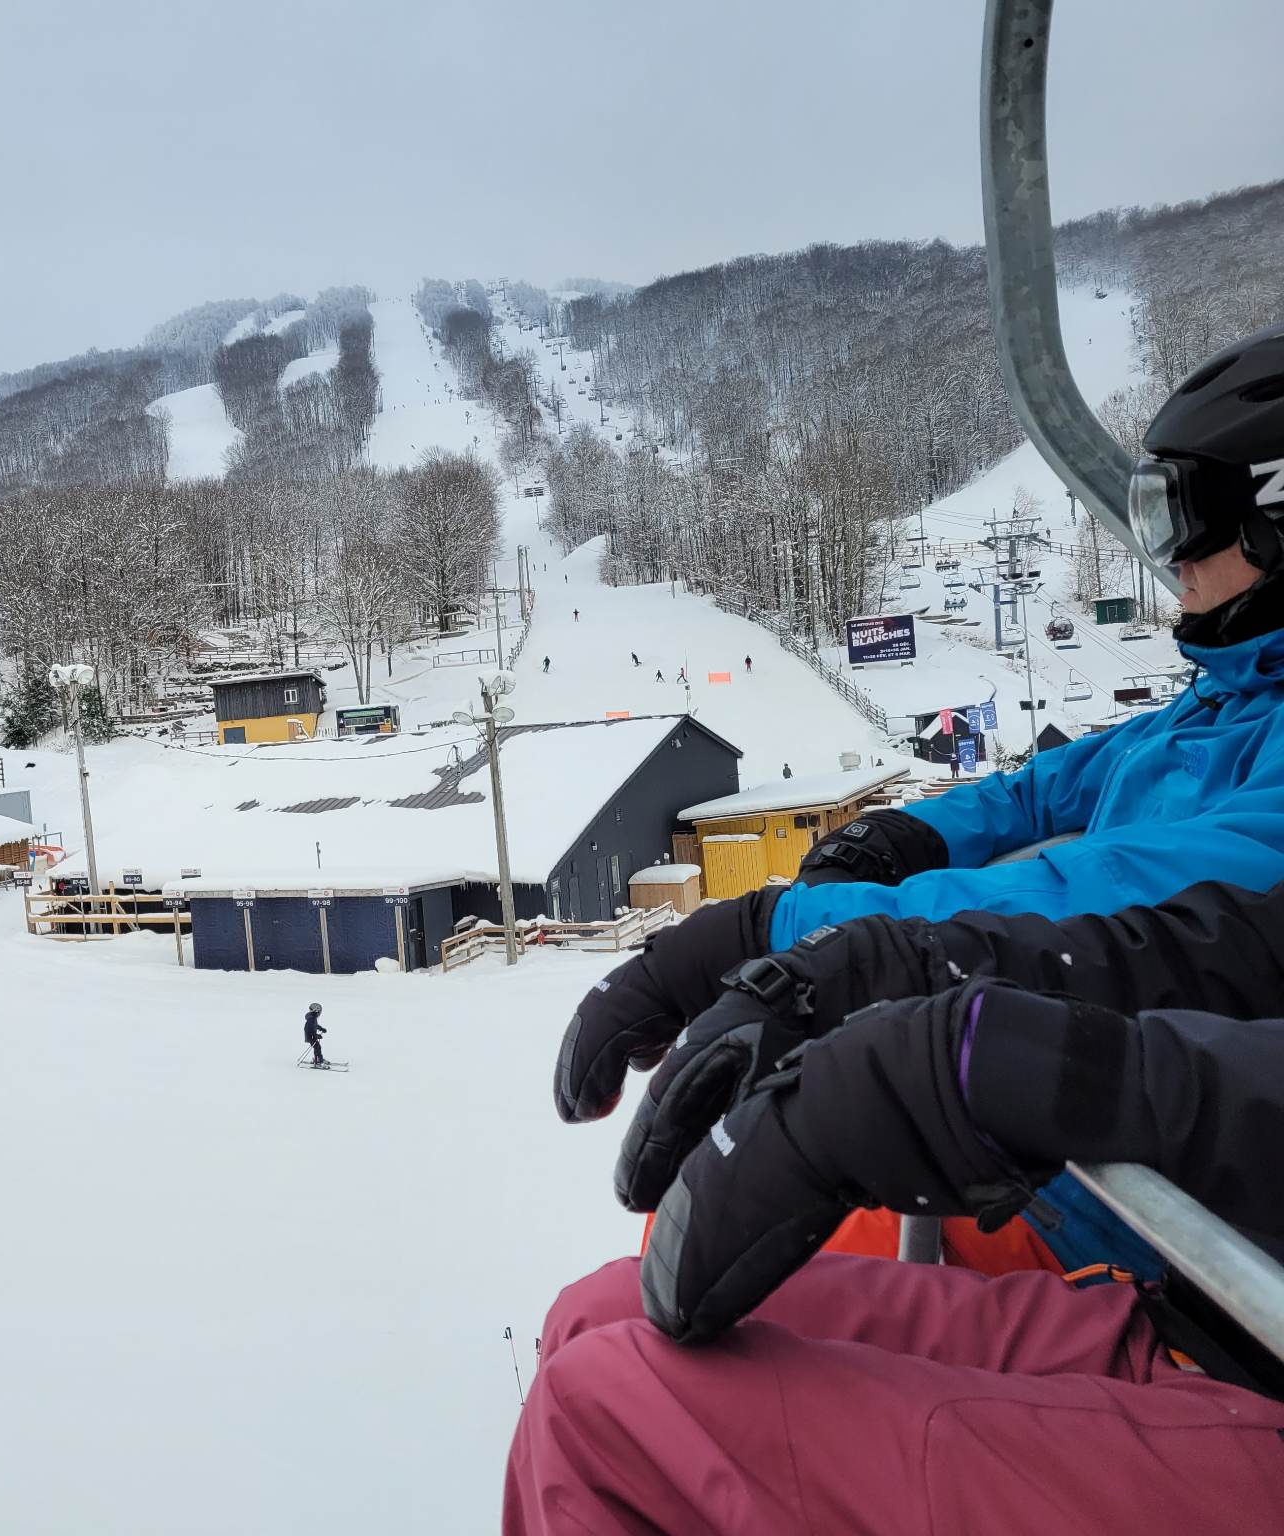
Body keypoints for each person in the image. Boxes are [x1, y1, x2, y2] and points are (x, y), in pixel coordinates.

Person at [553, 320, 1284, 1270]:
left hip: (1170, 1234)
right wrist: (907, 834)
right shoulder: (1224, 702)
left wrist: (800, 933)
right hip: (1080, 1169)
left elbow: (1108, 899)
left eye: (1187, 515)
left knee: (693, 1310)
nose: (1170, 556)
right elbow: (1041, 793)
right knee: (683, 1233)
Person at [508, 970, 1284, 1534]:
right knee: (612, 1304)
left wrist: (982, 1064)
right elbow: (1171, 920)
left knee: (604, 1416)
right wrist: (817, 949)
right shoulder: (1215, 738)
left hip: (1241, 1370)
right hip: (1195, 1314)